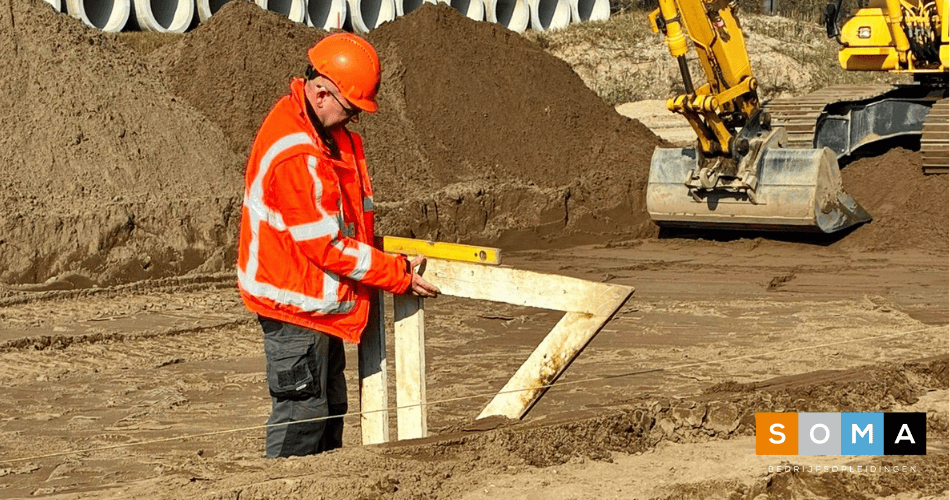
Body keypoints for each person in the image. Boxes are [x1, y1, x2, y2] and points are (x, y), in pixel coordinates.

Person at [237, 32, 440, 458]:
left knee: (329, 409)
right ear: (322, 92)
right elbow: (327, 246)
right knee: (302, 415)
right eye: (350, 111)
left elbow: (346, 220)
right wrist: (394, 274)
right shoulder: (297, 153)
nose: (353, 122)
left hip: (317, 301)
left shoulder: (322, 131)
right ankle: (286, 487)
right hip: (293, 306)